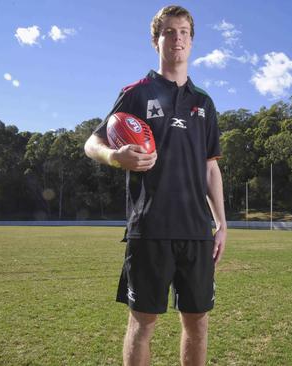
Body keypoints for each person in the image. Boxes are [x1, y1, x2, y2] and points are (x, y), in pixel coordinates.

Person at [84, 5, 227, 365]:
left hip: (197, 231)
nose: (176, 38)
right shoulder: (136, 93)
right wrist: (116, 157)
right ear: (155, 40)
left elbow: (211, 169)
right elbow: (92, 144)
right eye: (168, 32)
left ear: (192, 41)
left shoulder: (204, 103)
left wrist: (221, 223)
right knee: (142, 324)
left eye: (183, 32)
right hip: (150, 229)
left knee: (198, 323)